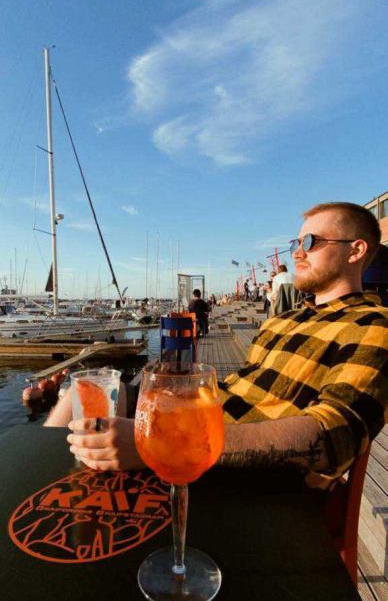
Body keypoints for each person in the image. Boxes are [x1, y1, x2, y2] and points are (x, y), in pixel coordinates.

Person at [47, 202, 388, 492]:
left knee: (94, 454)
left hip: (242, 469)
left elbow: (336, 432)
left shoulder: (373, 325)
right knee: (82, 391)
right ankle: (44, 490)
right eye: (295, 242)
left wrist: (163, 445)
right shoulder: (286, 320)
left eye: (311, 241)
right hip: (203, 419)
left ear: (355, 251)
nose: (297, 253)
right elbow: (241, 390)